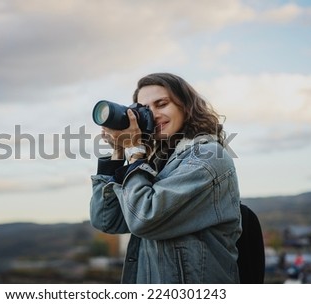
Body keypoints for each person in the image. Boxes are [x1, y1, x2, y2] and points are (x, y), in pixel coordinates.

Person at [89, 72, 242, 283]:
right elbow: (107, 220)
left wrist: (134, 150)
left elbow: (143, 217)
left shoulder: (206, 158)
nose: (153, 115)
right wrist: (117, 153)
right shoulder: (154, 164)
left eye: (161, 104)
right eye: (144, 109)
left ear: (186, 107)